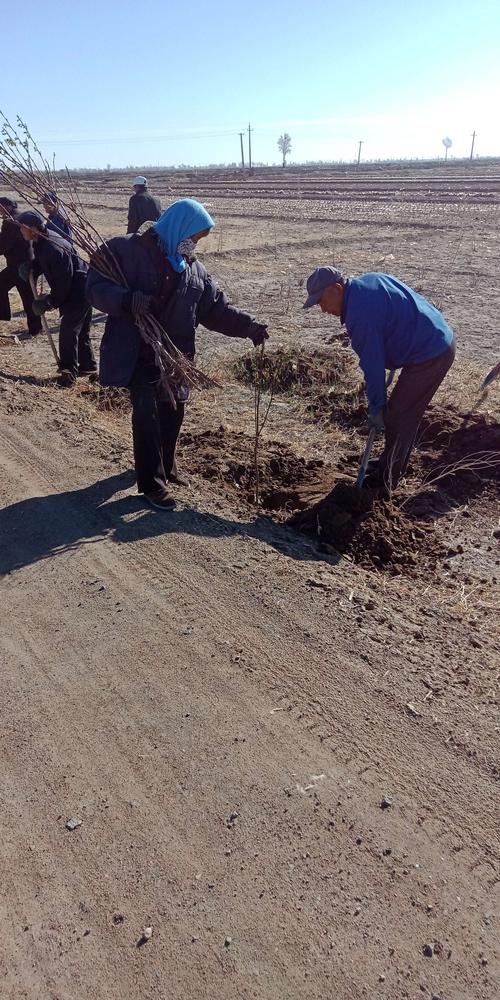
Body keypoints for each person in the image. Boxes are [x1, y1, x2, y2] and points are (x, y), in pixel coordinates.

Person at [86, 198, 268, 510]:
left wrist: (249, 327)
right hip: (137, 349)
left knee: (173, 412)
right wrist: (126, 300)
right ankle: (152, 485)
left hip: (175, 356)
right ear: (178, 226)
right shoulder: (125, 251)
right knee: (146, 412)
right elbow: (94, 286)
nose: (195, 244)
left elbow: (215, 310)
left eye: (199, 240)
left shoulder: (195, 271)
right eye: (194, 236)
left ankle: (166, 467)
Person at [303, 266, 456, 488]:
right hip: (436, 337)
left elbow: (373, 367)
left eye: (321, 301)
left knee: (399, 416)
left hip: (431, 353)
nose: (323, 309)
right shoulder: (368, 282)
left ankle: (388, 479)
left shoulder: (360, 315)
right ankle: (390, 464)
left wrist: (377, 407)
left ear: (336, 288)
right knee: (403, 413)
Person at [17, 209, 96, 387]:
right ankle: (87, 365)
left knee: (69, 330)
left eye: (23, 228)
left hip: (79, 289)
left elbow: (63, 283)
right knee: (81, 330)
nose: (20, 231)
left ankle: (68, 373)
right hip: (81, 284)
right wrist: (33, 267)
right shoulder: (42, 240)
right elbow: (44, 262)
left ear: (33, 229)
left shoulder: (53, 248)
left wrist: (49, 301)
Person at [0, 196, 42, 338]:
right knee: (28, 297)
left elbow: (3, 245)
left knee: (27, 297)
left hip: (20, 267)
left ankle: (33, 329)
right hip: (24, 264)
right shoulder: (19, 218)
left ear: (9, 207)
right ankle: (34, 328)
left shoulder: (11, 222)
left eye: (1, 207)